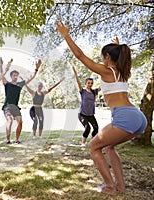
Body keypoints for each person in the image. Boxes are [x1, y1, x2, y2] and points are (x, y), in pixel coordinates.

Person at [56, 21, 147, 195]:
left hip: (125, 116)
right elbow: (123, 59)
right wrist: (118, 47)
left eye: (102, 57)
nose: (100, 60)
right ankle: (120, 187)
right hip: (138, 117)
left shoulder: (108, 71)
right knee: (108, 147)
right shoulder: (122, 71)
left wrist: (66, 35)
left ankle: (110, 187)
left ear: (107, 57)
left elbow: (81, 56)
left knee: (93, 147)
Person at [0, 58, 41, 144]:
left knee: (20, 122)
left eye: (16, 75)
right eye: (14, 75)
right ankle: (8, 140)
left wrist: (36, 69)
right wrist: (2, 65)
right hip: (7, 106)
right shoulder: (7, 84)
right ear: (11, 76)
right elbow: (2, 75)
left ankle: (17, 139)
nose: (15, 76)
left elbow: (31, 77)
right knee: (10, 120)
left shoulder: (19, 85)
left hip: (15, 107)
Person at [72, 66, 100, 146]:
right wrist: (75, 73)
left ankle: (92, 142)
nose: (90, 84)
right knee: (87, 128)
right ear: (85, 83)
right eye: (88, 83)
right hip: (82, 114)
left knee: (96, 128)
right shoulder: (83, 91)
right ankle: (83, 143)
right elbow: (78, 82)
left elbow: (102, 87)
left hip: (91, 114)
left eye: (91, 83)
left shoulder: (94, 92)